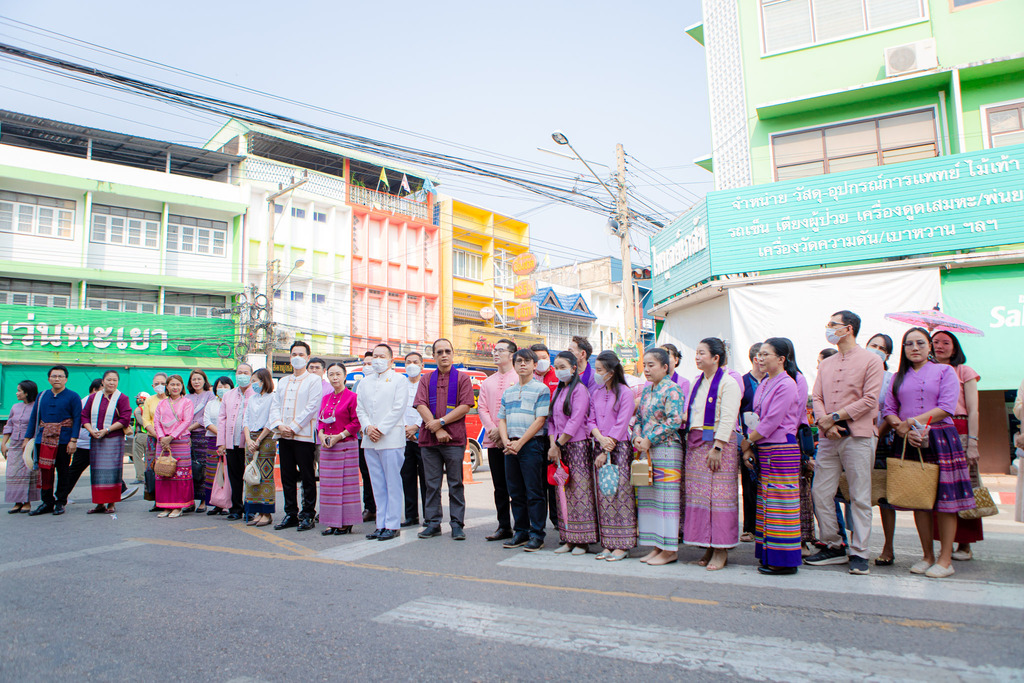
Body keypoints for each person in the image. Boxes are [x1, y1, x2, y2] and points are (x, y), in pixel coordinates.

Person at [882, 327, 974, 578]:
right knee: (919, 500)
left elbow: (946, 407)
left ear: (929, 346)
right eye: (909, 344)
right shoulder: (897, 377)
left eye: (920, 343)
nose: (915, 348)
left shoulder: (945, 371)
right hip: (908, 440)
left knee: (946, 502)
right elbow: (889, 410)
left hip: (940, 437)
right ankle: (927, 556)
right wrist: (902, 429)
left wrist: (911, 422)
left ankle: (945, 560)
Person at [807, 310, 884, 576]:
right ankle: (834, 544)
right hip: (829, 437)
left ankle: (860, 552)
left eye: (833, 324)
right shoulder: (827, 363)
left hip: (858, 436)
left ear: (848, 328)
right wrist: (826, 423)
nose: (828, 328)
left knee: (859, 496)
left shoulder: (872, 360)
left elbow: (870, 400)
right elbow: (817, 397)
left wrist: (835, 417)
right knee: (820, 492)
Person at [742, 338, 801, 575]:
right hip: (764, 448)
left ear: (781, 359)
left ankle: (784, 561)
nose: (761, 358)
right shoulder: (766, 382)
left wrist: (748, 441)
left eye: (766, 354)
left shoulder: (787, 384)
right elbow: (755, 416)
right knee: (767, 503)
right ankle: (770, 555)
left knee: (781, 505)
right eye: (760, 354)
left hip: (781, 449)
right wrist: (750, 444)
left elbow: (771, 421)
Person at [683, 338, 742, 571]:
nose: (697, 357)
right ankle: (707, 544)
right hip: (696, 443)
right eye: (696, 353)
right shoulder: (697, 382)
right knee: (700, 497)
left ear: (716, 358)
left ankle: (721, 549)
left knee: (719, 497)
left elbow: (728, 418)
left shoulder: (729, 383)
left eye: (702, 353)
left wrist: (718, 447)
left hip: (719, 444)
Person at [415, 338, 475, 540]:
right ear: (433, 356)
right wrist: (437, 428)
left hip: (454, 440)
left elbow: (465, 406)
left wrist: (440, 423)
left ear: (453, 353)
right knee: (431, 485)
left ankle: (457, 524)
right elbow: (420, 404)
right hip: (429, 441)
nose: (444, 355)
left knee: (455, 483)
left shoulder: (462, 379)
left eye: (447, 351)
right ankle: (433, 523)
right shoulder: (426, 379)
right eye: (439, 352)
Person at [931, 331, 983, 562]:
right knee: (937, 488)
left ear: (955, 347)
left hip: (960, 430)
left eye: (946, 342)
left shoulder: (964, 371)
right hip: (934, 431)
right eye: (935, 342)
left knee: (964, 487)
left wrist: (973, 442)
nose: (940, 346)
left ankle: (965, 543)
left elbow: (973, 410)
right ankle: (944, 544)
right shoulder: (927, 370)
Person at [632, 347, 686, 566]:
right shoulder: (647, 390)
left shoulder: (673, 389)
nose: (646, 369)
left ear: (665, 367)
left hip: (667, 449)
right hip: (647, 449)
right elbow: (638, 418)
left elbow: (675, 420)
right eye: (644, 365)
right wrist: (637, 437)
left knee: (666, 500)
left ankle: (669, 549)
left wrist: (650, 439)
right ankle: (657, 546)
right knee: (650, 499)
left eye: (651, 365)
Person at [498, 347, 551, 552]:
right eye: (519, 361)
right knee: (515, 492)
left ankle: (537, 534)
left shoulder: (541, 389)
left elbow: (540, 420)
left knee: (534, 492)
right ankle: (520, 532)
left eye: (527, 361)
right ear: (514, 364)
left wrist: (520, 442)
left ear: (534, 365)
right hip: (510, 446)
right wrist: (506, 441)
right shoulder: (508, 392)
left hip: (531, 445)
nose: (522, 364)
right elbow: (502, 418)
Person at [587, 351, 637, 561]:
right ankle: (608, 543)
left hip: (619, 448)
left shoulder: (625, 392)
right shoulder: (596, 393)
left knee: (621, 495)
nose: (597, 374)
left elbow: (622, 422)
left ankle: (623, 544)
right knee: (604, 496)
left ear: (611, 371)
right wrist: (600, 439)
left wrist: (607, 448)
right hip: (600, 445)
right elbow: (590, 420)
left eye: (600, 370)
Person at [270, 341, 323, 532]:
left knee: (307, 476)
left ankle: (308, 514)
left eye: (301, 354)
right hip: (283, 436)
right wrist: (279, 425)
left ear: (308, 357)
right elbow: (275, 405)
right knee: (287, 476)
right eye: (294, 354)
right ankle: (291, 513)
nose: (297, 358)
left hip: (304, 436)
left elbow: (312, 407)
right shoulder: (283, 381)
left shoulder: (313, 380)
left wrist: (293, 427)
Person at [357, 344, 409, 541]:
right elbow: (360, 408)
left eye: (382, 356)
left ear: (391, 360)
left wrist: (380, 429)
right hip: (370, 440)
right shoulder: (364, 382)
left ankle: (393, 524)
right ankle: (381, 524)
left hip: (391, 438)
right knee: (377, 484)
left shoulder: (399, 380)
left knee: (392, 483)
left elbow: (398, 408)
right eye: (375, 356)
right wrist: (367, 427)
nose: (377, 360)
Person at [549, 350, 597, 555]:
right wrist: (553, 445)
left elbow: (576, 420)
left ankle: (582, 540)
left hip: (577, 446)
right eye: (556, 367)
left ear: (574, 368)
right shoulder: (557, 391)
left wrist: (558, 444)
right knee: (563, 492)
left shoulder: (580, 390)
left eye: (563, 367)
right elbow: (551, 421)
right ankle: (568, 538)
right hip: (559, 447)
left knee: (580, 492)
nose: (559, 371)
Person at [24, 365, 82, 516]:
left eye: (60, 376)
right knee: (45, 472)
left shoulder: (73, 396)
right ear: (49, 379)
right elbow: (34, 418)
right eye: (54, 376)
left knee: (63, 471)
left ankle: (60, 502)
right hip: (43, 439)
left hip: (64, 440)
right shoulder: (42, 395)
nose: (57, 379)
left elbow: (77, 419)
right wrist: (27, 438)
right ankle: (47, 502)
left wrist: (73, 440)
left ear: (66, 379)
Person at [478, 338, 519, 541]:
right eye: (495, 350)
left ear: (512, 355)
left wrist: (505, 434)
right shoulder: (487, 382)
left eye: (500, 350)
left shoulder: (519, 378)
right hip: (494, 440)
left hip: (514, 441)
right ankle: (504, 526)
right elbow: (482, 408)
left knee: (517, 486)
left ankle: (522, 527)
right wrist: (493, 430)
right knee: (499, 486)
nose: (495, 353)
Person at [866, 333, 898, 565]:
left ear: (887, 355)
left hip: (884, 440)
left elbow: (891, 411)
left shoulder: (891, 379)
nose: (876, 350)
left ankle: (888, 547)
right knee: (856, 494)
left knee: (885, 497)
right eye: (873, 345)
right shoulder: (856, 373)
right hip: (857, 439)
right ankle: (857, 543)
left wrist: (877, 434)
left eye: (882, 348)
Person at [319, 362, 361, 535]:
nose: (334, 378)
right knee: (329, 486)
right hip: (328, 446)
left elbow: (356, 422)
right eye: (331, 374)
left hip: (346, 445)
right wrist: (321, 435)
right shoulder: (326, 398)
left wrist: (339, 436)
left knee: (346, 486)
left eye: (338, 374)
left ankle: (346, 522)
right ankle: (332, 521)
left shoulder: (352, 397)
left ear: (344, 376)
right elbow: (320, 420)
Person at [81, 370, 131, 515]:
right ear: (103, 381)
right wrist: (91, 430)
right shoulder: (93, 398)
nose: (112, 383)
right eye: (109, 380)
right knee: (97, 472)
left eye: (115, 380)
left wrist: (107, 430)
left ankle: (111, 503)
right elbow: (84, 416)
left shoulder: (122, 398)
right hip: (96, 439)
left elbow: (125, 419)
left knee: (112, 471)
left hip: (113, 439)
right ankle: (99, 503)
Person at [216, 363, 254, 521]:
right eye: (239, 372)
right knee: (234, 477)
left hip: (251, 442)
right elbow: (222, 419)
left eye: (245, 372)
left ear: (251, 375)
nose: (242, 375)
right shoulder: (228, 395)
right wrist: (221, 442)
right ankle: (236, 508)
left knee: (251, 476)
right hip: (232, 442)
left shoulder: (256, 393)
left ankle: (251, 508)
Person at [154, 374, 194, 518]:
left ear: (182, 386)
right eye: (172, 384)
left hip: (180, 441)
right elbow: (156, 422)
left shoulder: (187, 402)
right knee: (164, 473)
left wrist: (171, 437)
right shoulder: (161, 403)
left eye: (178, 384)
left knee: (180, 474)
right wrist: (162, 438)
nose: (175, 387)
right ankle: (165, 505)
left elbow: (186, 421)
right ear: (167, 387)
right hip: (163, 442)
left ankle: (179, 506)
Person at [530, 342, 560, 530]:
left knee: (554, 479)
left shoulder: (558, 375)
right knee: (538, 480)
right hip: (534, 435)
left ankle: (558, 519)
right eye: (537, 358)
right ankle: (538, 523)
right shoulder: (529, 378)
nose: (541, 361)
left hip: (555, 436)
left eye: (544, 357)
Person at [243, 368, 276, 528]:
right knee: (251, 474)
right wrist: (249, 439)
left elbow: (271, 421)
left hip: (266, 438)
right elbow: (246, 419)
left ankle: (266, 513)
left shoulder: (273, 398)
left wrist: (258, 440)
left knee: (265, 475)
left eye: (255, 381)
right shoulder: (252, 398)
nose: (253, 384)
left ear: (264, 381)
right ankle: (256, 511)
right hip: (250, 438)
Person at [738, 343, 764, 543]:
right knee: (748, 484)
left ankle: (766, 526)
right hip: (747, 438)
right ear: (756, 359)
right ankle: (749, 527)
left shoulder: (774, 381)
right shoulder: (743, 381)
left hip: (768, 437)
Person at [3, 380, 39, 513]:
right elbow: (9, 425)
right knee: (13, 473)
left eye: (19, 390)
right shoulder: (15, 407)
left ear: (27, 392)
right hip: (14, 444)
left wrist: (30, 442)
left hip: (29, 445)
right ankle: (17, 502)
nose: (17, 393)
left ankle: (27, 502)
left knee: (27, 472)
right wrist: (3, 444)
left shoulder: (37, 407)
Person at [400, 351, 427, 528]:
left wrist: (416, 426)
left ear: (422, 365)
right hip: (403, 437)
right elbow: (396, 407)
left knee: (426, 479)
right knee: (407, 477)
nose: (412, 365)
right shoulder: (400, 385)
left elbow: (428, 407)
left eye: (415, 362)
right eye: (408, 362)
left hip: (422, 436)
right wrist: (405, 427)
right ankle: (411, 516)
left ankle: (429, 515)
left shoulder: (426, 384)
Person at [186, 369, 214, 513]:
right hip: (186, 436)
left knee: (202, 468)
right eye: (194, 379)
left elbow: (206, 417)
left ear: (204, 380)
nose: (196, 382)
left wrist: (189, 428)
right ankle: (189, 500)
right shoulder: (187, 397)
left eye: (199, 379)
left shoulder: (210, 395)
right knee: (188, 468)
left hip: (203, 435)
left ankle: (203, 500)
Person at [202, 376, 232, 514]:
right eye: (220, 386)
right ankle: (215, 503)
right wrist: (221, 435)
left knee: (227, 473)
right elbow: (207, 421)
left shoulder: (233, 403)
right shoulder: (210, 404)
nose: (222, 389)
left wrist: (225, 437)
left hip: (230, 441)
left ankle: (227, 503)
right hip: (213, 441)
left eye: (226, 387)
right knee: (213, 473)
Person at [140, 373, 168, 507]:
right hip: (153, 439)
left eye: (163, 383)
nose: (160, 386)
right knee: (152, 468)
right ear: (152, 386)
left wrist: (165, 437)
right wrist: (158, 435)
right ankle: (156, 499)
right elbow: (146, 420)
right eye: (157, 384)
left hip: (169, 439)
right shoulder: (149, 400)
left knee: (168, 467)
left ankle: (169, 498)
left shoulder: (172, 399)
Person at [359, 349, 376, 522]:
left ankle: (383, 508)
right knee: (366, 473)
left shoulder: (386, 383)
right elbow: (357, 409)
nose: (367, 367)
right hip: (362, 435)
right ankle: (369, 507)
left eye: (370, 363)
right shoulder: (359, 384)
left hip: (380, 434)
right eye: (364, 364)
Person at [129, 392, 149, 484]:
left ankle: (140, 477)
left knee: (137, 457)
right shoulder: (150, 408)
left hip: (141, 435)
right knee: (148, 458)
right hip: (149, 435)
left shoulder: (138, 409)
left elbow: (141, 422)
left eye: (138, 398)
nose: (137, 400)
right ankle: (149, 476)